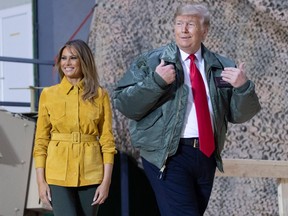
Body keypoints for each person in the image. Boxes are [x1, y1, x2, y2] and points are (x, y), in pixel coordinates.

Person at [113, 3, 261, 216]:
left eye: (190, 24)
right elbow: (124, 104)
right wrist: (156, 82)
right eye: (179, 23)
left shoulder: (222, 65)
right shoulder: (153, 61)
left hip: (206, 155)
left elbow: (238, 115)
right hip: (169, 155)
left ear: (204, 30)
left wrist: (243, 88)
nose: (183, 30)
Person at [33, 39, 117, 216]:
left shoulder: (100, 95)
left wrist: (106, 182)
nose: (67, 63)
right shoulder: (49, 95)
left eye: (73, 58)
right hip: (57, 173)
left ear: (84, 61)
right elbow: (41, 141)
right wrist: (41, 182)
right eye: (63, 58)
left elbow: (107, 141)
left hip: (91, 172)